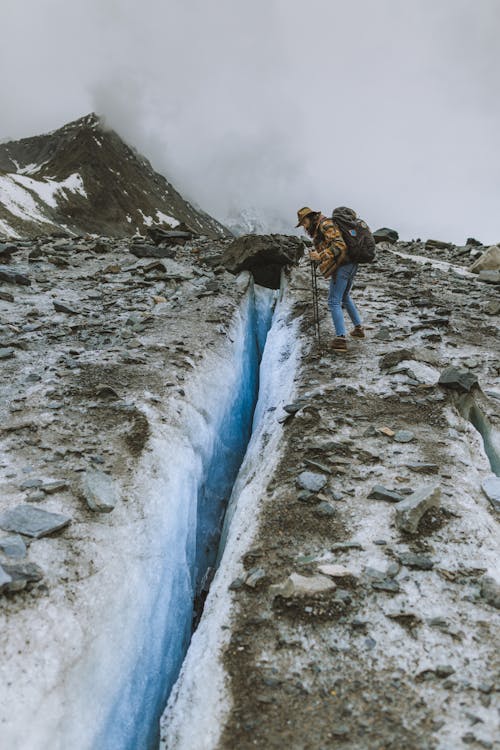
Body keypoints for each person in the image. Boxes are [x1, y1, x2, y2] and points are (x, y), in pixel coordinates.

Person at [296, 206, 365, 351]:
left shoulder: (325, 224)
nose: (303, 226)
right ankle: (358, 329)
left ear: (310, 217)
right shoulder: (321, 226)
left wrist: (320, 255)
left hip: (343, 265)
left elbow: (340, 245)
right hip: (351, 264)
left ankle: (340, 339)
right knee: (344, 296)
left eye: (304, 222)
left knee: (333, 301)